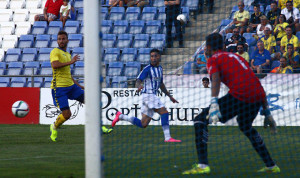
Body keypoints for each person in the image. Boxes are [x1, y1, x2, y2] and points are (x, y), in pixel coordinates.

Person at [182, 33, 279, 175]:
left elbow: (215, 79)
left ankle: (203, 165)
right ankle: (271, 166)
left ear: (208, 47)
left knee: (200, 120)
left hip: (240, 95)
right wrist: (267, 112)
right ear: (222, 45)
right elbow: (255, 81)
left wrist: (214, 102)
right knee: (245, 125)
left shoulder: (213, 59)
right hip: (258, 96)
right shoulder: (237, 57)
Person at [49, 31, 112, 142]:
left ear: (67, 40)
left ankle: (99, 127)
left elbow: (68, 75)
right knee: (67, 115)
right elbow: (55, 65)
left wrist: (80, 86)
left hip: (71, 86)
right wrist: (71, 62)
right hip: (59, 88)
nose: (61, 41)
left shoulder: (67, 55)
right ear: (57, 41)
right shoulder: (55, 52)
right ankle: (54, 127)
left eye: (63, 39)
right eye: (59, 39)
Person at [111, 49, 181, 143]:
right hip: (148, 95)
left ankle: (121, 116)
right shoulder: (147, 69)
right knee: (164, 112)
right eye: (152, 56)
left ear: (159, 57)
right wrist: (139, 86)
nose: (153, 58)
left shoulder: (160, 69)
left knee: (143, 124)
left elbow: (161, 84)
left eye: (155, 56)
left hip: (149, 97)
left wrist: (169, 96)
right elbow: (138, 80)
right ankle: (168, 138)